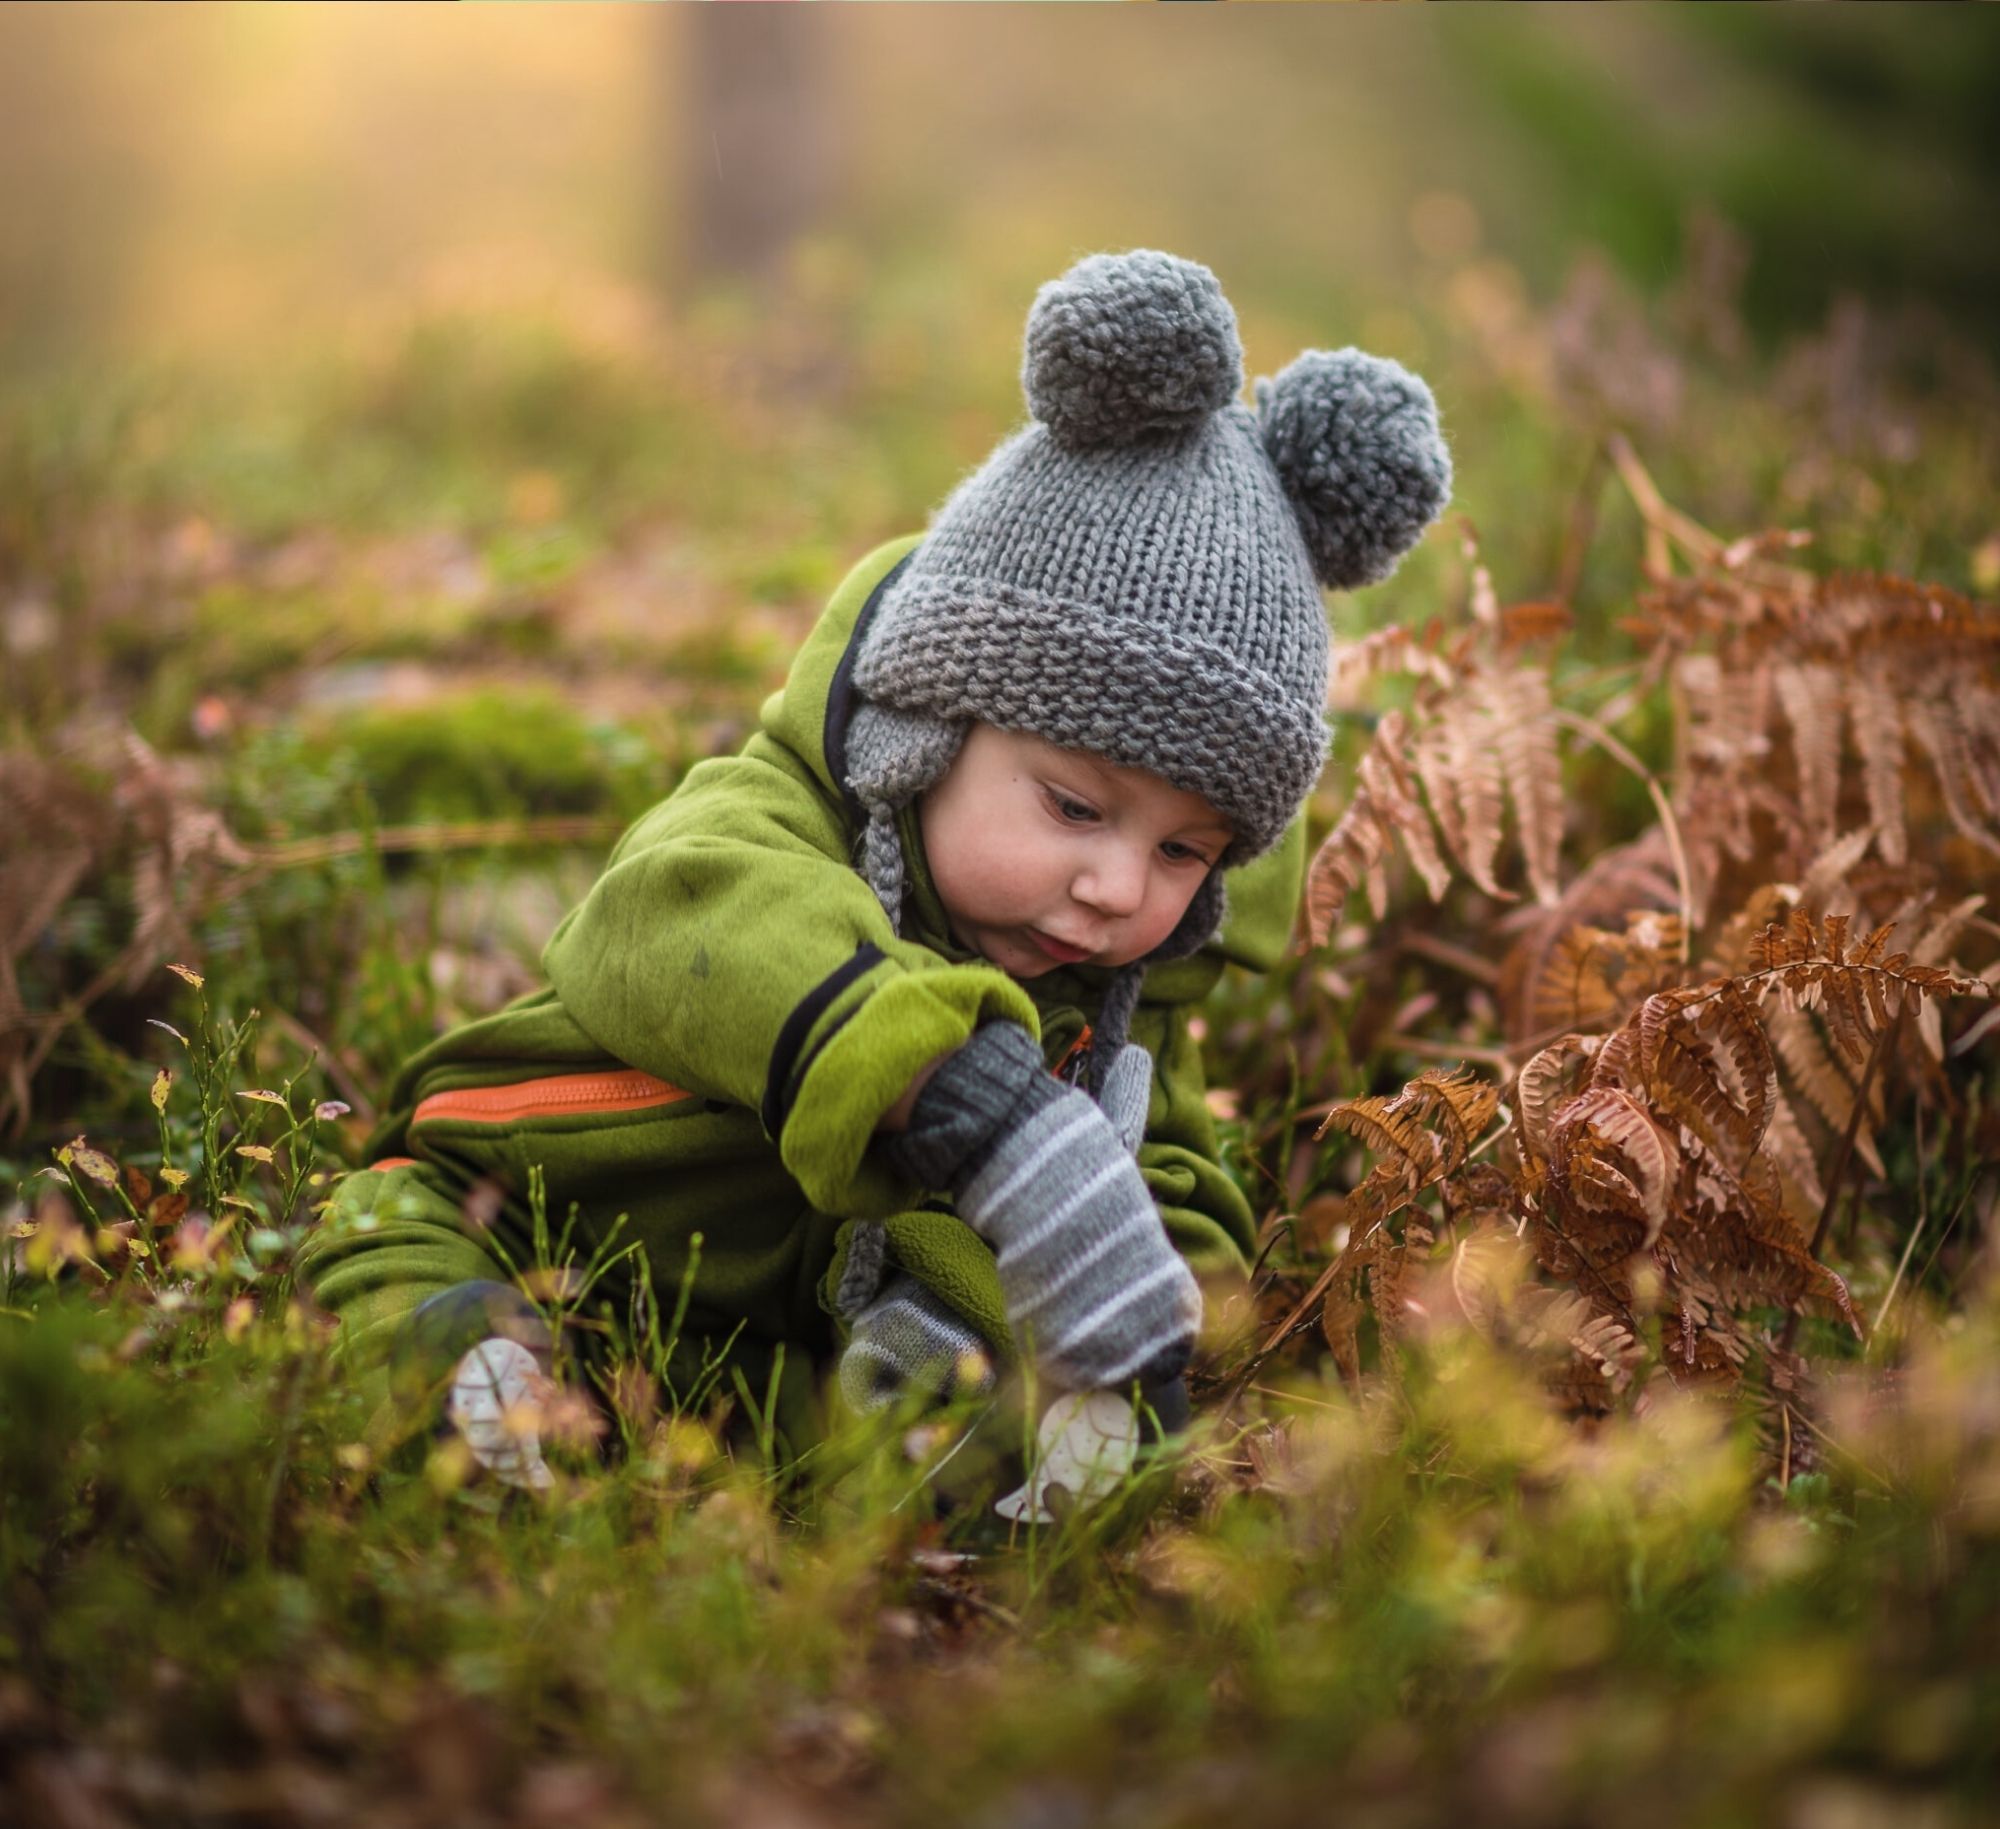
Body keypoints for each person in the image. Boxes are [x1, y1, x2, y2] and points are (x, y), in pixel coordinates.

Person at [297, 248, 1451, 1491]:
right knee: (398, 1249)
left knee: (945, 1402)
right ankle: (469, 1381)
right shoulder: (762, 827)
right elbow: (680, 915)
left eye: (1183, 850)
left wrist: (1143, 1320)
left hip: (760, 1345)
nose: (1118, 888)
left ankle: (913, 1448)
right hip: (525, 1202)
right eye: (1073, 807)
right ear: (926, 730)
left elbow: (1166, 1167)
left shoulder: (1116, 999)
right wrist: (969, 1100)